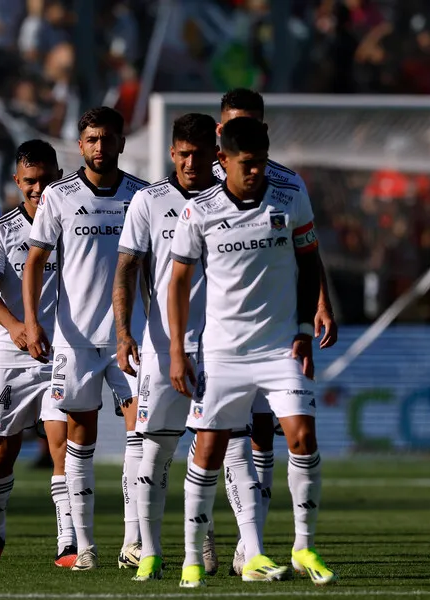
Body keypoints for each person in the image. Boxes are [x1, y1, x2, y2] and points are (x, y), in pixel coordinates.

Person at [169, 117, 335, 588]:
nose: (256, 173)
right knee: (209, 449)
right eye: (247, 165)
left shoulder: (289, 198)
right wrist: (180, 351)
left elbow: (309, 262)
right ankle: (191, 559)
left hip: (280, 347)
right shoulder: (198, 211)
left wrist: (304, 328)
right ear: (223, 161)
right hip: (221, 354)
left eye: (261, 163)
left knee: (302, 437)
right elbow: (178, 283)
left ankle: (303, 547)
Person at [114, 113, 263, 582]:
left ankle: (251, 551)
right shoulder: (148, 201)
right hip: (164, 349)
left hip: (224, 347)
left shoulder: (231, 200)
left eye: (199, 154)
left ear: (215, 154)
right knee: (154, 453)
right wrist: (124, 331)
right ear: (172, 153)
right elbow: (126, 269)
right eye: (182, 154)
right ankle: (151, 551)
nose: (190, 162)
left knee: (235, 450)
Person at [213, 88, 338, 575]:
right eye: (230, 124)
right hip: (216, 333)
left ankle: (253, 546)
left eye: (250, 123)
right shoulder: (198, 184)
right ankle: (208, 544)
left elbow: (306, 250)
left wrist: (319, 306)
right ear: (219, 130)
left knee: (269, 432)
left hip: (276, 330)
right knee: (219, 439)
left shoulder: (286, 183)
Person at [23, 107, 148, 570]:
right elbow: (35, 261)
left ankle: (133, 543)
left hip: (130, 339)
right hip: (74, 340)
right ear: (80, 145)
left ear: (120, 142)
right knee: (80, 439)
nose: (100, 146)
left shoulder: (141, 195)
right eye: (91, 139)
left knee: (143, 434)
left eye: (107, 138)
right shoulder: (58, 195)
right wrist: (34, 322)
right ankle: (86, 547)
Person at [0, 139, 75, 567]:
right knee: (2, 449)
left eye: (46, 179)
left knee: (62, 441)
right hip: (11, 354)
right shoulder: (3, 229)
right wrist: (16, 326)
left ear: (59, 177)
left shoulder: (74, 223)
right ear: (17, 181)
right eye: (29, 181)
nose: (38, 189)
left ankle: (68, 541)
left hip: (61, 350)